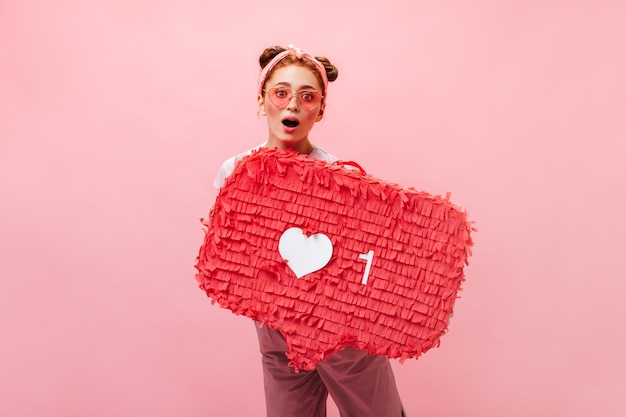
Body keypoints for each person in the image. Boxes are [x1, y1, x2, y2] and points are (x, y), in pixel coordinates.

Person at [211, 45, 406, 417]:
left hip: (342, 335)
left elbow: (363, 262)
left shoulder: (342, 178)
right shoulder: (235, 172)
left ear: (321, 109)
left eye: (307, 96)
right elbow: (232, 255)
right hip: (275, 330)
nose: (292, 105)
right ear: (261, 100)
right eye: (281, 92)